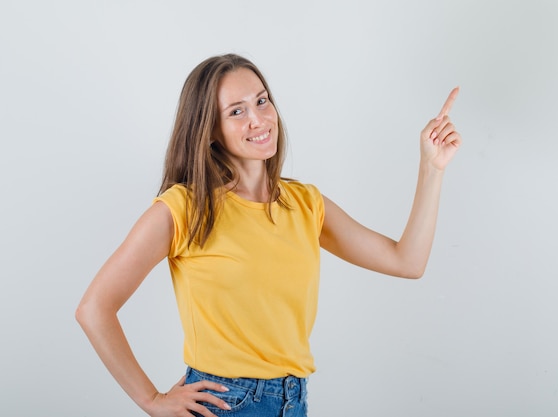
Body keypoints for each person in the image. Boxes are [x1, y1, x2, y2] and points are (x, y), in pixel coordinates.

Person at [75, 53, 462, 417]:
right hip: (223, 403)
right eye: (236, 111)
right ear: (210, 129)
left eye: (262, 102)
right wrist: (151, 399)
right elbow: (94, 309)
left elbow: (406, 262)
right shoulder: (184, 209)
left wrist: (432, 168)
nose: (258, 119)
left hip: (293, 401)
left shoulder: (306, 203)